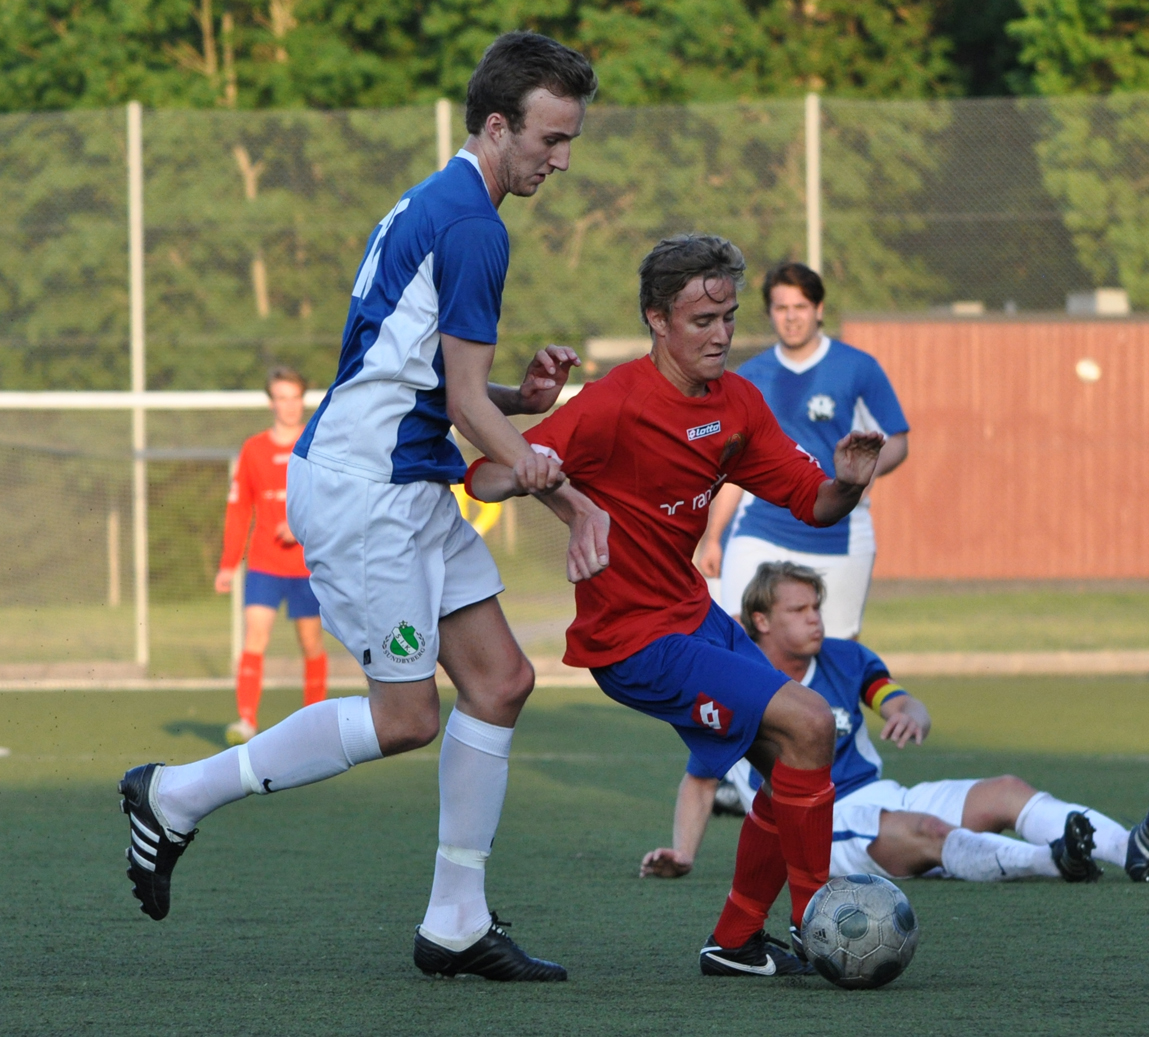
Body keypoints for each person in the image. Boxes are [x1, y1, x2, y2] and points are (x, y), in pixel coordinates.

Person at [118, 32, 604, 983]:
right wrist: (573, 502)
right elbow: (461, 406)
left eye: (569, 139)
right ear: (496, 126)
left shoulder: (435, 201)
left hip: (405, 480)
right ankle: (174, 794)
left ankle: (456, 922)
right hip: (367, 492)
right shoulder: (474, 226)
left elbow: (430, 382)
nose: (561, 159)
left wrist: (520, 401)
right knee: (407, 716)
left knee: (501, 681)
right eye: (550, 138)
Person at [467, 234, 884, 977]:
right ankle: (821, 922)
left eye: (728, 318)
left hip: (693, 617)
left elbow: (814, 503)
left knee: (794, 754)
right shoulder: (613, 403)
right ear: (658, 321)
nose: (720, 335)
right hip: (632, 642)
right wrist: (530, 469)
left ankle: (737, 943)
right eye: (702, 321)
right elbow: (485, 478)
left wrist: (849, 482)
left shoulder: (738, 403)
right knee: (812, 721)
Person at [641, 562, 1149, 886]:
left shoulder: (845, 658)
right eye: (799, 610)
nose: (815, 619)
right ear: (760, 620)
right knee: (928, 832)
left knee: (1005, 790)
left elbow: (899, 701)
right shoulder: (737, 681)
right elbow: (700, 779)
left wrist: (909, 714)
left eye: (817, 607)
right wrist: (683, 854)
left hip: (883, 795)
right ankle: (1053, 862)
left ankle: (1129, 850)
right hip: (820, 828)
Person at [698, 262, 910, 639]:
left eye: (800, 307)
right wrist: (713, 537)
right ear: (769, 313)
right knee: (741, 641)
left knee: (834, 651)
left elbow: (897, 440)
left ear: (819, 309)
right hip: (761, 529)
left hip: (837, 534)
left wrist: (866, 473)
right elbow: (734, 468)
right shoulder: (749, 378)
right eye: (781, 308)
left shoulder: (857, 368)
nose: (791, 317)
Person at [215, 366, 327, 746]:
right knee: (255, 636)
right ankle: (247, 720)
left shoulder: (317, 446)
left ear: (302, 400)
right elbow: (238, 510)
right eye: (281, 398)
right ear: (271, 403)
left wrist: (300, 526)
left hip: (306, 566)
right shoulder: (254, 449)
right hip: (264, 563)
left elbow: (333, 500)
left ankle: (314, 722)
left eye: (294, 398)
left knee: (310, 643)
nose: (288, 405)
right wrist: (228, 564)